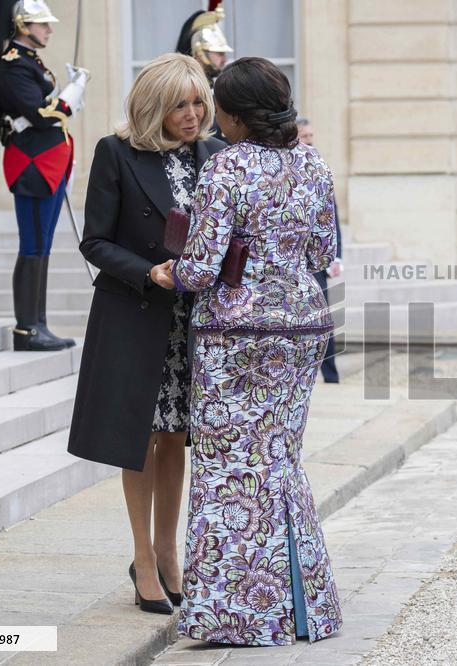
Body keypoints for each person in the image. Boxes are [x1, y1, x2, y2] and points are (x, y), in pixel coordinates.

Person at [168, 57, 343, 645]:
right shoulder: (313, 163)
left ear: (234, 114)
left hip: (236, 335)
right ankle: (304, 610)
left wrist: (171, 268)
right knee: (280, 462)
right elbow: (323, 251)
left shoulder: (226, 167)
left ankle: (237, 615)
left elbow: (199, 269)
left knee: (227, 473)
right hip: (301, 322)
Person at [66, 53, 225, 615]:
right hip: (135, 314)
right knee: (140, 437)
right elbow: (95, 242)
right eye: (180, 103)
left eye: (199, 101)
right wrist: (147, 271)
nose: (193, 113)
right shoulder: (117, 153)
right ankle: (142, 557)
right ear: (154, 106)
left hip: (194, 323)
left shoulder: (215, 154)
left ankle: (167, 550)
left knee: (176, 436)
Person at [0, 0, 89, 351]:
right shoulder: (12, 66)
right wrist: (72, 95)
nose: (49, 30)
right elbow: (40, 115)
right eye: (43, 24)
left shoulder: (29, 62)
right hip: (33, 165)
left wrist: (67, 94)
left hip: (49, 164)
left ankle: (38, 323)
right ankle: (26, 329)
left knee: (42, 247)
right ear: (23, 26)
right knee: (33, 246)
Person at [297, 117, 343, 383]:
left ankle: (331, 376)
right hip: (295, 260)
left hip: (318, 260)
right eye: (305, 136)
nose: (310, 140)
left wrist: (336, 256)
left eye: (312, 135)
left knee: (325, 320)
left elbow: (332, 217)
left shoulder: (320, 168)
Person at [176, 1, 233, 141]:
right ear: (199, 51)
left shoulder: (217, 89)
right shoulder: (180, 88)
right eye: (218, 53)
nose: (224, 59)